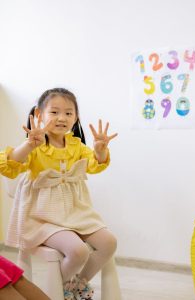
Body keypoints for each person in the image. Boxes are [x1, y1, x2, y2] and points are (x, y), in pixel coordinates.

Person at [0, 88, 118, 300]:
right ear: (39, 115)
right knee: (78, 251)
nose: (61, 118)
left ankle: (74, 286)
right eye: (54, 112)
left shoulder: (76, 145)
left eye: (68, 113)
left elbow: (94, 164)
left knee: (109, 242)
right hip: (42, 218)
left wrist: (100, 150)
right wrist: (28, 144)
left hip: (75, 213)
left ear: (76, 118)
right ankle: (53, 290)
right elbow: (10, 166)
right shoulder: (35, 146)